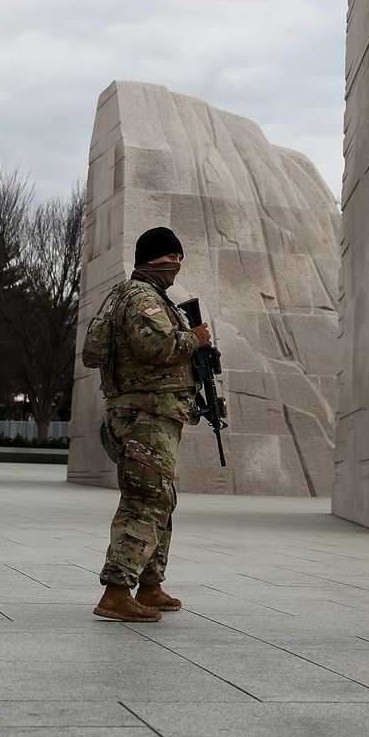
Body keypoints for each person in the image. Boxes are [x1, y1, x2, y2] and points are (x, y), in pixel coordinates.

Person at [90, 226, 212, 622]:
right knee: (145, 499)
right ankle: (116, 591)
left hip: (148, 414)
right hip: (145, 416)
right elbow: (154, 346)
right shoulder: (143, 298)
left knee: (161, 498)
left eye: (178, 257)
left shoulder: (133, 295)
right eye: (171, 257)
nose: (176, 263)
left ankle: (150, 585)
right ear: (154, 258)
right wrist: (195, 339)